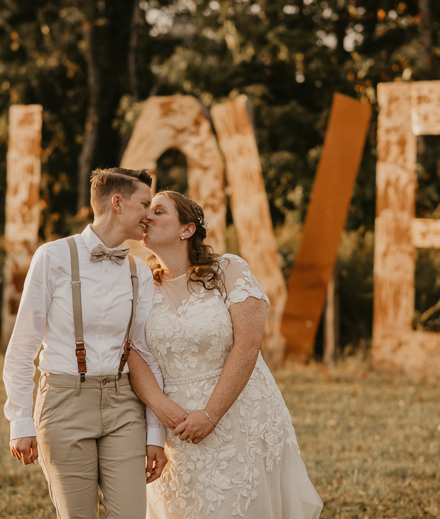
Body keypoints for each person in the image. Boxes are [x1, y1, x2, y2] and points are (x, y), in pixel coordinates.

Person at [127, 191, 323, 519]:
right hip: (177, 425)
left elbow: (248, 344)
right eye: (146, 209)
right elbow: (131, 352)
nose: (147, 216)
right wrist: (162, 411)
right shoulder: (140, 284)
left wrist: (211, 414)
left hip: (238, 418)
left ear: (186, 229)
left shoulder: (228, 269)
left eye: (158, 211)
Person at [3, 168, 168, 519]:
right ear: (117, 203)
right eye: (144, 204)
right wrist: (20, 420)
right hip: (64, 402)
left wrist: (155, 432)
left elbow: (147, 355)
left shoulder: (139, 272)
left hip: (124, 405)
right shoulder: (52, 257)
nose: (149, 215)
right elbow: (23, 344)